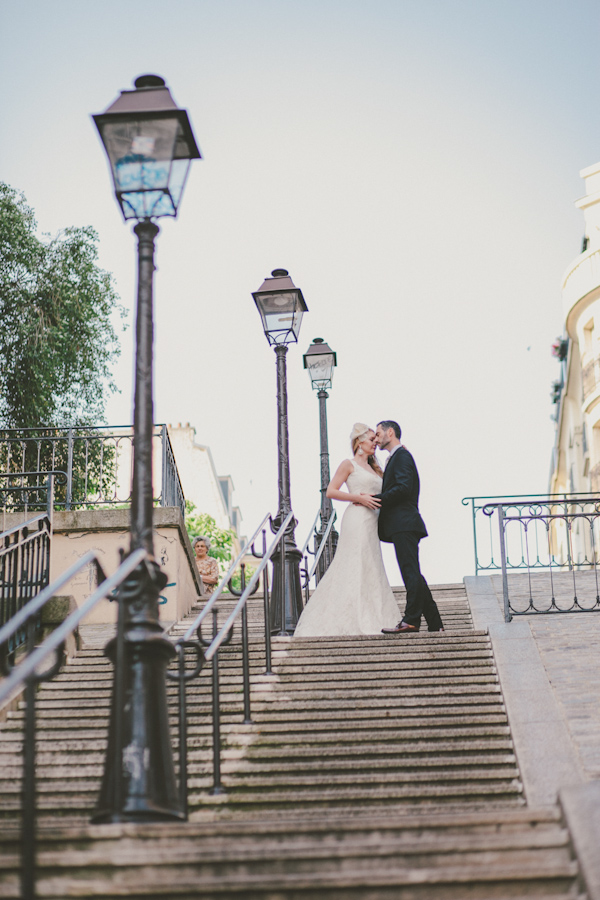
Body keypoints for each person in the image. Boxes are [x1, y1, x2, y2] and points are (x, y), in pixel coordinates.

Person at [294, 423, 400, 637]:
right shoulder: (348, 464)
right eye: (372, 439)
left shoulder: (377, 468)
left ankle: (375, 615)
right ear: (359, 442)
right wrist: (357, 497)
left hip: (373, 522)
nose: (375, 443)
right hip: (357, 518)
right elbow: (331, 491)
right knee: (353, 563)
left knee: (372, 566)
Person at [374, 420, 444, 633]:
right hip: (402, 524)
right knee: (413, 572)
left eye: (378, 434)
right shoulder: (397, 456)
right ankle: (435, 623)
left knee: (410, 573)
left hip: (404, 523)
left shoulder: (402, 456)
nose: (376, 439)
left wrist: (377, 499)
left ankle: (412, 619)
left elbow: (404, 488)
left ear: (390, 432)